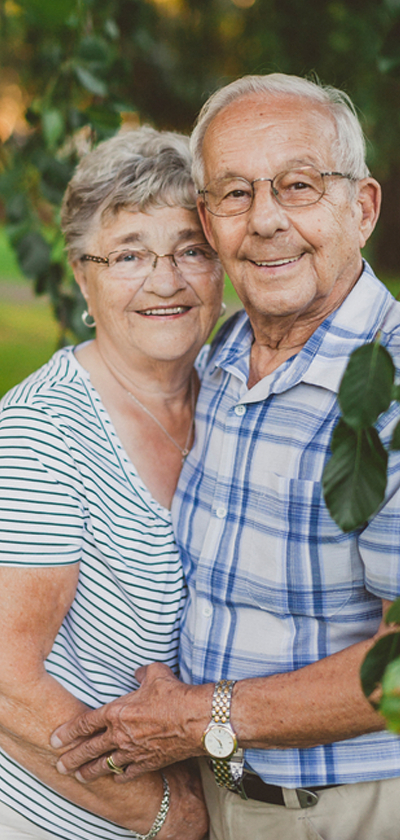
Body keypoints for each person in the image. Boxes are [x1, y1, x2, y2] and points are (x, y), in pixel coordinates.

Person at [50, 74, 400, 840]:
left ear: (363, 207)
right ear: (210, 217)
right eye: (235, 194)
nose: (266, 220)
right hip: (227, 794)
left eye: (298, 186)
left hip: (351, 811)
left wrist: (198, 716)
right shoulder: (221, 359)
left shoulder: (391, 390)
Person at [0, 124, 224, 840]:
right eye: (129, 253)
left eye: (192, 248)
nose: (167, 279)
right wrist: (170, 813)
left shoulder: (229, 400)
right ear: (80, 275)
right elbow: (8, 683)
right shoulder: (43, 433)